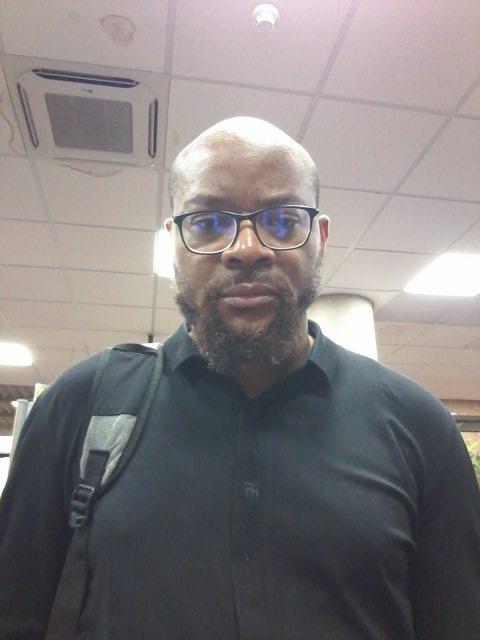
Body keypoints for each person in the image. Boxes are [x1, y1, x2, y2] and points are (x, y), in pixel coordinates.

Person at [1, 117, 479, 640]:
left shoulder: (417, 426)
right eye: (208, 222)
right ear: (173, 243)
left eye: (282, 221)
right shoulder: (81, 406)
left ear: (320, 238)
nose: (247, 249)